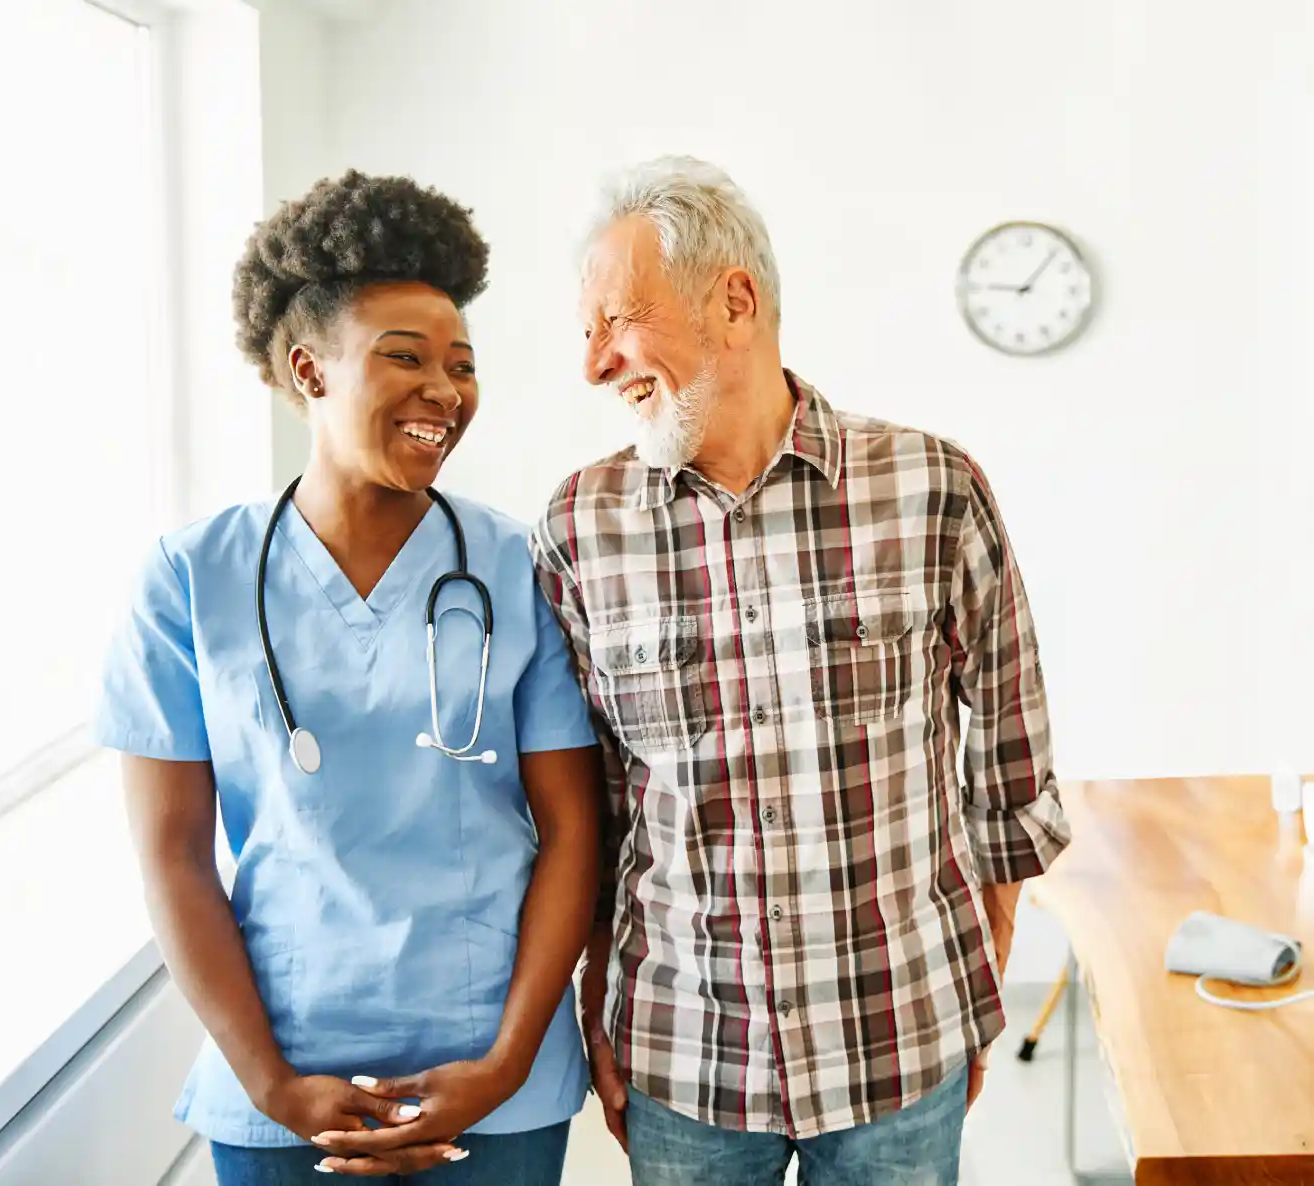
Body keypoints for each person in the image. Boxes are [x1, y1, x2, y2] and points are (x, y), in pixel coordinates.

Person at [530, 157, 1072, 1186]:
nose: (596, 365)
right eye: (585, 332)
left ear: (732, 301)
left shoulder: (929, 486)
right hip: (683, 1057)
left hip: (898, 1046)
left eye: (616, 320)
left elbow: (1008, 762)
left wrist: (968, 985)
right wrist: (601, 1000)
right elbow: (591, 809)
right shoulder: (576, 527)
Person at [96, 170, 601, 1184]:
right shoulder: (190, 579)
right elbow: (176, 858)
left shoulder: (519, 567)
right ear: (307, 370)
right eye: (403, 357)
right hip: (283, 1068)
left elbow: (574, 829)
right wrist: (272, 1083)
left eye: (460, 365)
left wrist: (502, 1066)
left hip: (489, 1071)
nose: (444, 391)